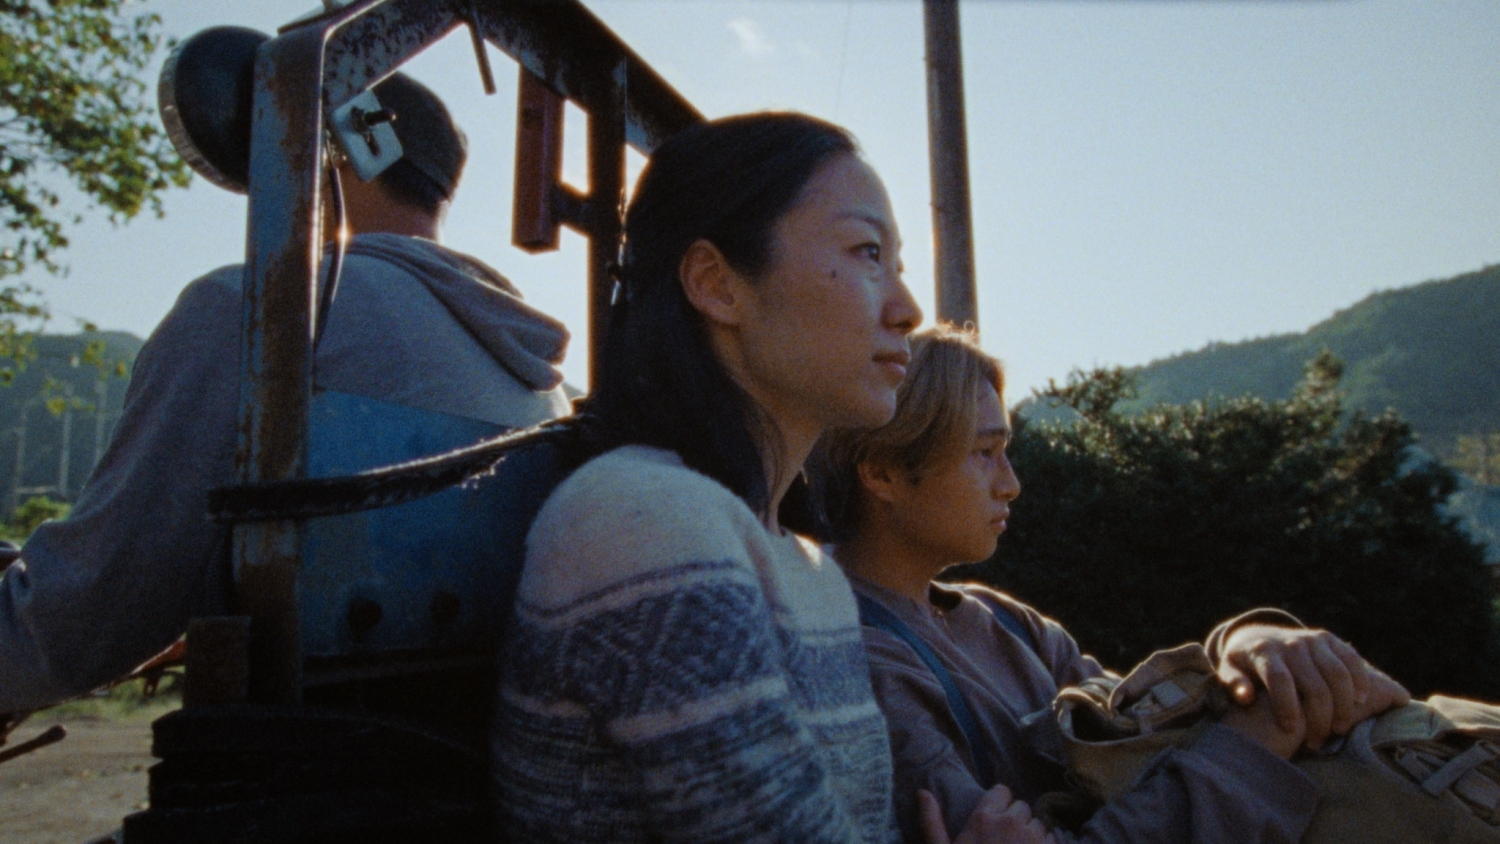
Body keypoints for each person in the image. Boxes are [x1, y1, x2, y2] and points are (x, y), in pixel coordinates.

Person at [491, 113, 1050, 844]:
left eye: (898, 264)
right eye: (867, 252)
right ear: (718, 285)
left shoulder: (808, 566)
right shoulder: (646, 523)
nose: (908, 311)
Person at [0, 73, 571, 713]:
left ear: (347, 150)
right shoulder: (540, 380)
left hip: (305, 767)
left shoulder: (253, 313)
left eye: (281, 145)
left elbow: (82, 623)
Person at [809, 324, 1412, 844]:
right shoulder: (855, 666)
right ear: (884, 472)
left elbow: (1143, 734)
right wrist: (1262, 733)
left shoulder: (1008, 622)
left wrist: (1247, 643)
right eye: (984, 452)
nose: (1011, 483)